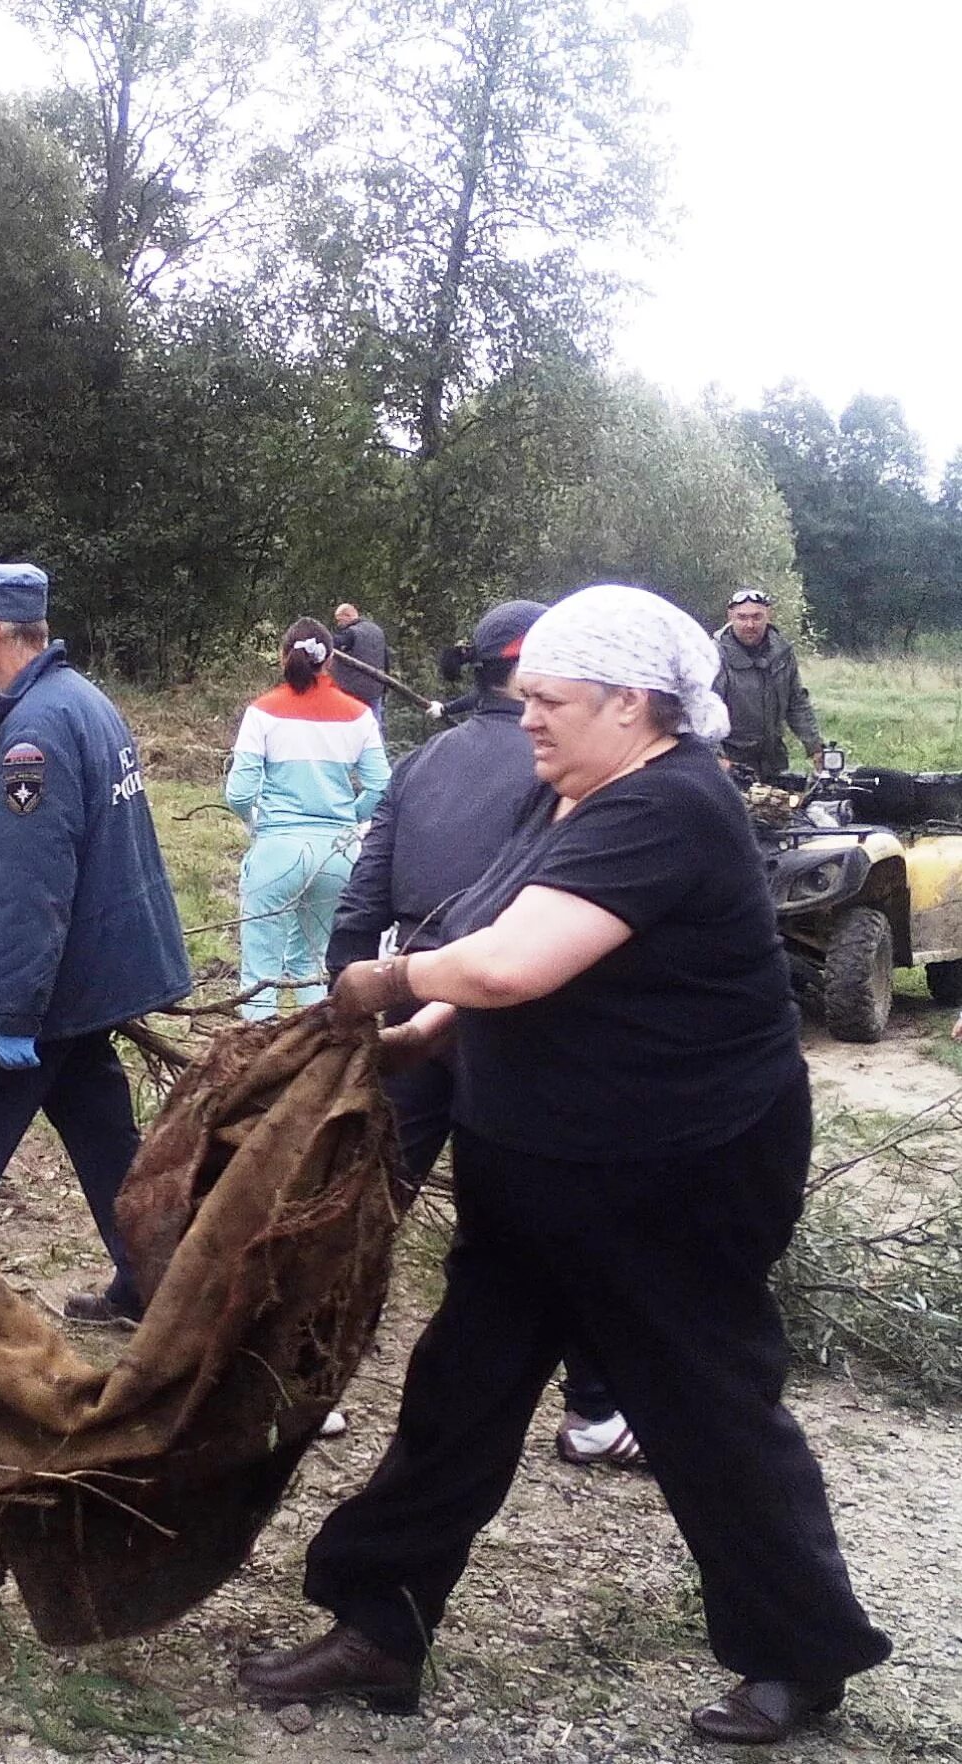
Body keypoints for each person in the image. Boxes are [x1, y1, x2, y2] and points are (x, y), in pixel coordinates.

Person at [241, 584, 890, 1746]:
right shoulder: (575, 795)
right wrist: (413, 1038)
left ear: (633, 703)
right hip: (537, 1159)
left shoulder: (674, 807)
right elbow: (487, 944)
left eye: (548, 699)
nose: (525, 718)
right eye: (524, 695)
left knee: (708, 1410)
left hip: (672, 1175)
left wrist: (382, 985)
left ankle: (801, 1655)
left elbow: (507, 970)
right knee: (458, 1397)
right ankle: (380, 1630)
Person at [327, 598, 642, 1469]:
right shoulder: (579, 771)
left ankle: (298, 1386)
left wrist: (345, 1010)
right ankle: (594, 1408)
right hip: (519, 1021)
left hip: (409, 1000)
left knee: (360, 1201)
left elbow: (363, 898)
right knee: (554, 1215)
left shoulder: (424, 759)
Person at [0, 561, 191, 1331]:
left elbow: (31, 885)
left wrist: (10, 1010)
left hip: (40, 985)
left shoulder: (33, 731)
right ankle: (164, 1294)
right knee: (107, 1142)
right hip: (85, 977)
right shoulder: (82, 702)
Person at [226, 619, 390, 1021]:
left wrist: (256, 822)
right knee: (311, 967)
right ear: (330, 660)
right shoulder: (359, 715)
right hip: (338, 854)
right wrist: (350, 817)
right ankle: (315, 1063)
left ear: (284, 657)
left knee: (258, 975)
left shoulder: (262, 712)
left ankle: (256, 1068)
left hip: (278, 851)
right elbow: (382, 785)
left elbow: (239, 793)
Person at [712, 588, 824, 783]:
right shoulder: (714, 656)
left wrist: (815, 747)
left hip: (773, 761)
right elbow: (704, 712)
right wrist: (716, 758)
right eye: (742, 617)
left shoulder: (782, 653)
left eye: (757, 617)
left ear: (768, 615)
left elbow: (796, 703)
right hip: (730, 764)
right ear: (730, 616)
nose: (750, 624)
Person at [329, 603, 391, 724]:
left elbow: (333, 643)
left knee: (352, 726)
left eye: (339, 620)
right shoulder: (378, 631)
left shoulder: (351, 633)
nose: (338, 624)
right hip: (376, 689)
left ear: (348, 616)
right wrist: (385, 687)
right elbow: (386, 660)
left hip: (353, 691)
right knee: (375, 726)